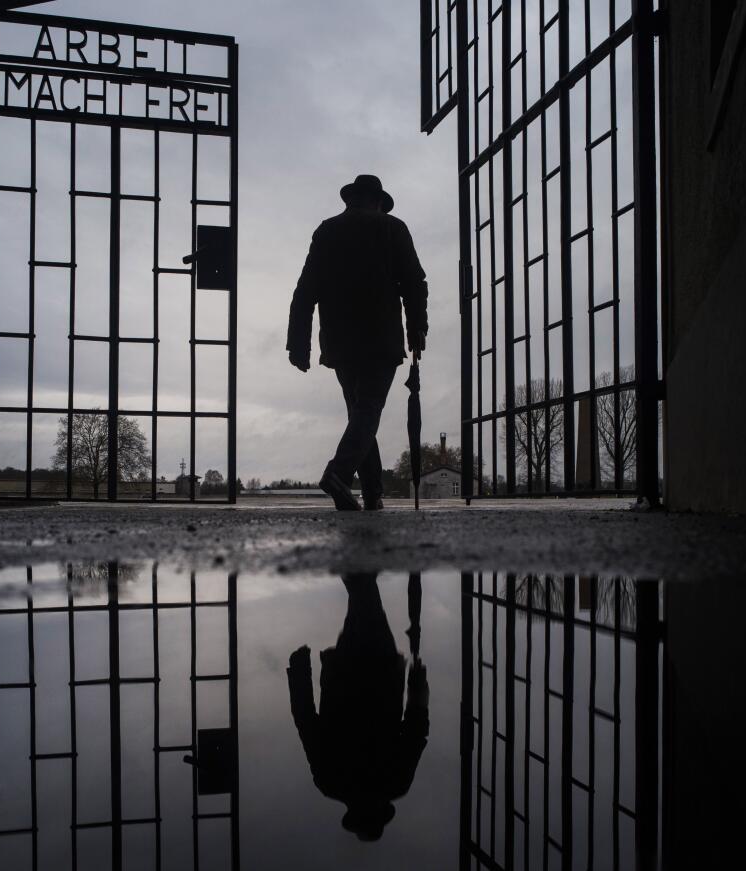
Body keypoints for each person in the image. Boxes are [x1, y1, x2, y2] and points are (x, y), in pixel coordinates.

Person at [287, 174, 429, 511]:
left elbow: (306, 289)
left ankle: (373, 492)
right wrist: (417, 328)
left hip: (339, 340)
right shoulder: (393, 228)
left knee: (361, 412)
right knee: (368, 410)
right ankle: (339, 472)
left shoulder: (326, 231)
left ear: (350, 199)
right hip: (380, 336)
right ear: (378, 200)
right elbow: (413, 282)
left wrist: (299, 342)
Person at [286, 573, 429, 841]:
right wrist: (299, 670)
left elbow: (415, 728)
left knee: (365, 601)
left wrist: (418, 684)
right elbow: (305, 721)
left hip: (381, 673)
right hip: (345, 674)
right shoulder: (330, 783)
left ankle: (358, 551)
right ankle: (357, 553)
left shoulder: (396, 782)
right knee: (363, 601)